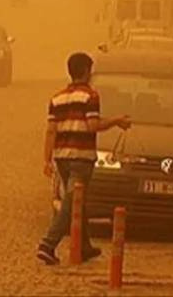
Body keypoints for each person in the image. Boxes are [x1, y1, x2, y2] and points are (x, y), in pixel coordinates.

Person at [36, 52, 131, 266]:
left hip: (62, 158)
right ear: (87, 71)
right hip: (81, 157)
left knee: (78, 201)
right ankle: (48, 244)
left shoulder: (57, 98)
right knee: (71, 202)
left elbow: (50, 131)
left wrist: (46, 160)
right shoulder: (91, 96)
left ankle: (85, 246)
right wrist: (117, 121)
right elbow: (93, 126)